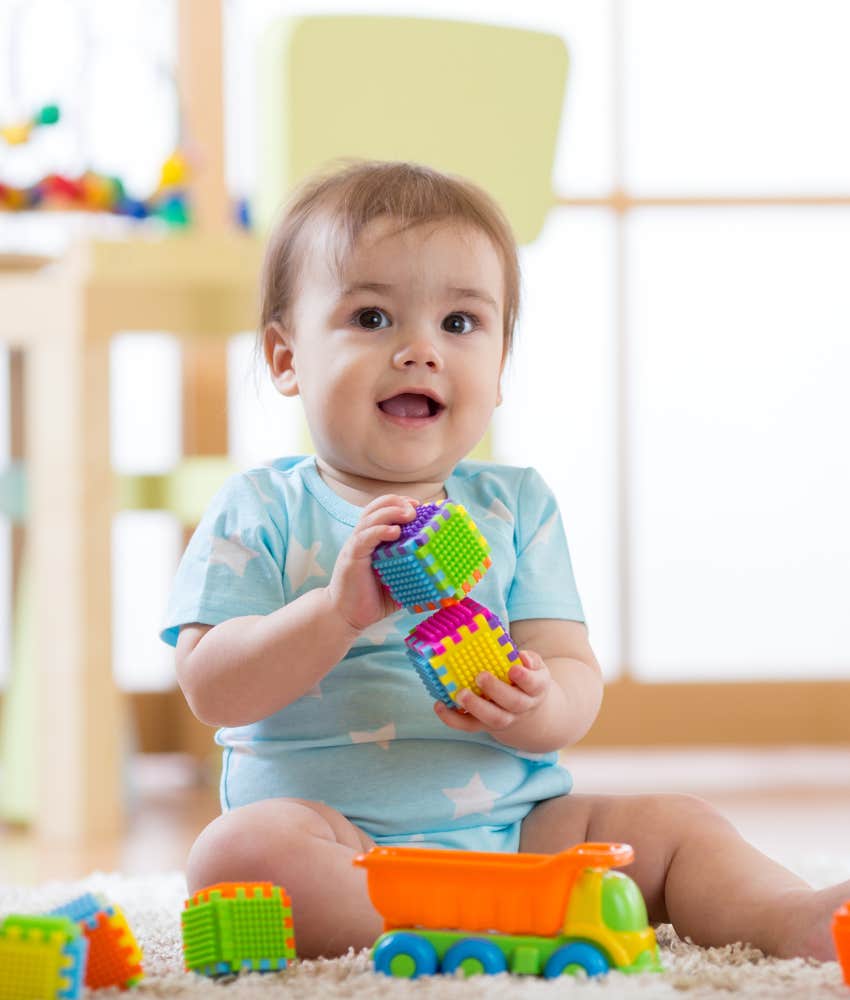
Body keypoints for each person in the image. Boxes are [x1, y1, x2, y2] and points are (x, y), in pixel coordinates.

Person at [162, 160, 847, 962]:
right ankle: (470, 933)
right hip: (334, 837)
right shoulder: (262, 509)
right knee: (234, 858)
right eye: (373, 316)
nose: (420, 350)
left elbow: (571, 669)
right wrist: (335, 613)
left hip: (520, 830)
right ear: (286, 359)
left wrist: (537, 705)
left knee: (676, 826)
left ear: (499, 368)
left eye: (459, 325)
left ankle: (793, 918)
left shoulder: (514, 506)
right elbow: (212, 687)